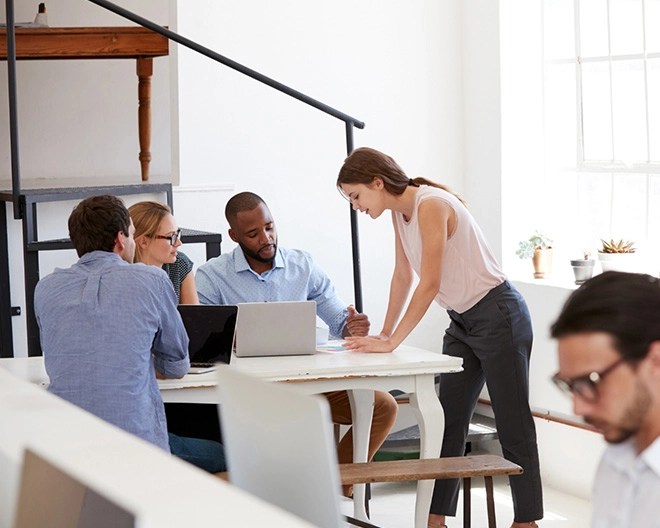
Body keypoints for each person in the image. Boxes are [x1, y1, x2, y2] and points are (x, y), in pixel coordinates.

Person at [336, 147, 543, 528]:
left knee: (513, 423)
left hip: (499, 314)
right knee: (447, 422)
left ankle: (526, 521)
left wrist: (392, 342)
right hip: (463, 320)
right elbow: (404, 275)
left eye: (356, 196)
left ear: (377, 183)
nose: (357, 206)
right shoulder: (400, 214)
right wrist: (384, 332)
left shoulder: (431, 205)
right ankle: (435, 519)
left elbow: (429, 283)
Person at [195, 191, 398, 490]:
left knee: (383, 406)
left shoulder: (302, 265)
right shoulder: (212, 277)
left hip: (311, 385)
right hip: (253, 394)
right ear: (234, 235)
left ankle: (330, 487)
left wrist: (352, 326)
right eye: (253, 233)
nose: (266, 238)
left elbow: (340, 321)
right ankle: (308, 494)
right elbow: (204, 345)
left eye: (269, 227)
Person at [34, 195, 225, 473]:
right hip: (137, 447)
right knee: (222, 453)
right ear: (121, 239)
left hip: (66, 446)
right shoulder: (152, 280)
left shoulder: (46, 288)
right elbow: (177, 364)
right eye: (133, 235)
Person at [550, 271, 660, 527]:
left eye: (591, 381)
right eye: (571, 385)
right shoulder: (617, 460)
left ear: (655, 360)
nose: (577, 406)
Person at [128, 200, 199, 304]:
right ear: (143, 242)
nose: (178, 243)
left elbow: (195, 318)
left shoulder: (180, 264)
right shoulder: (121, 274)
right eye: (171, 236)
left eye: (177, 234)